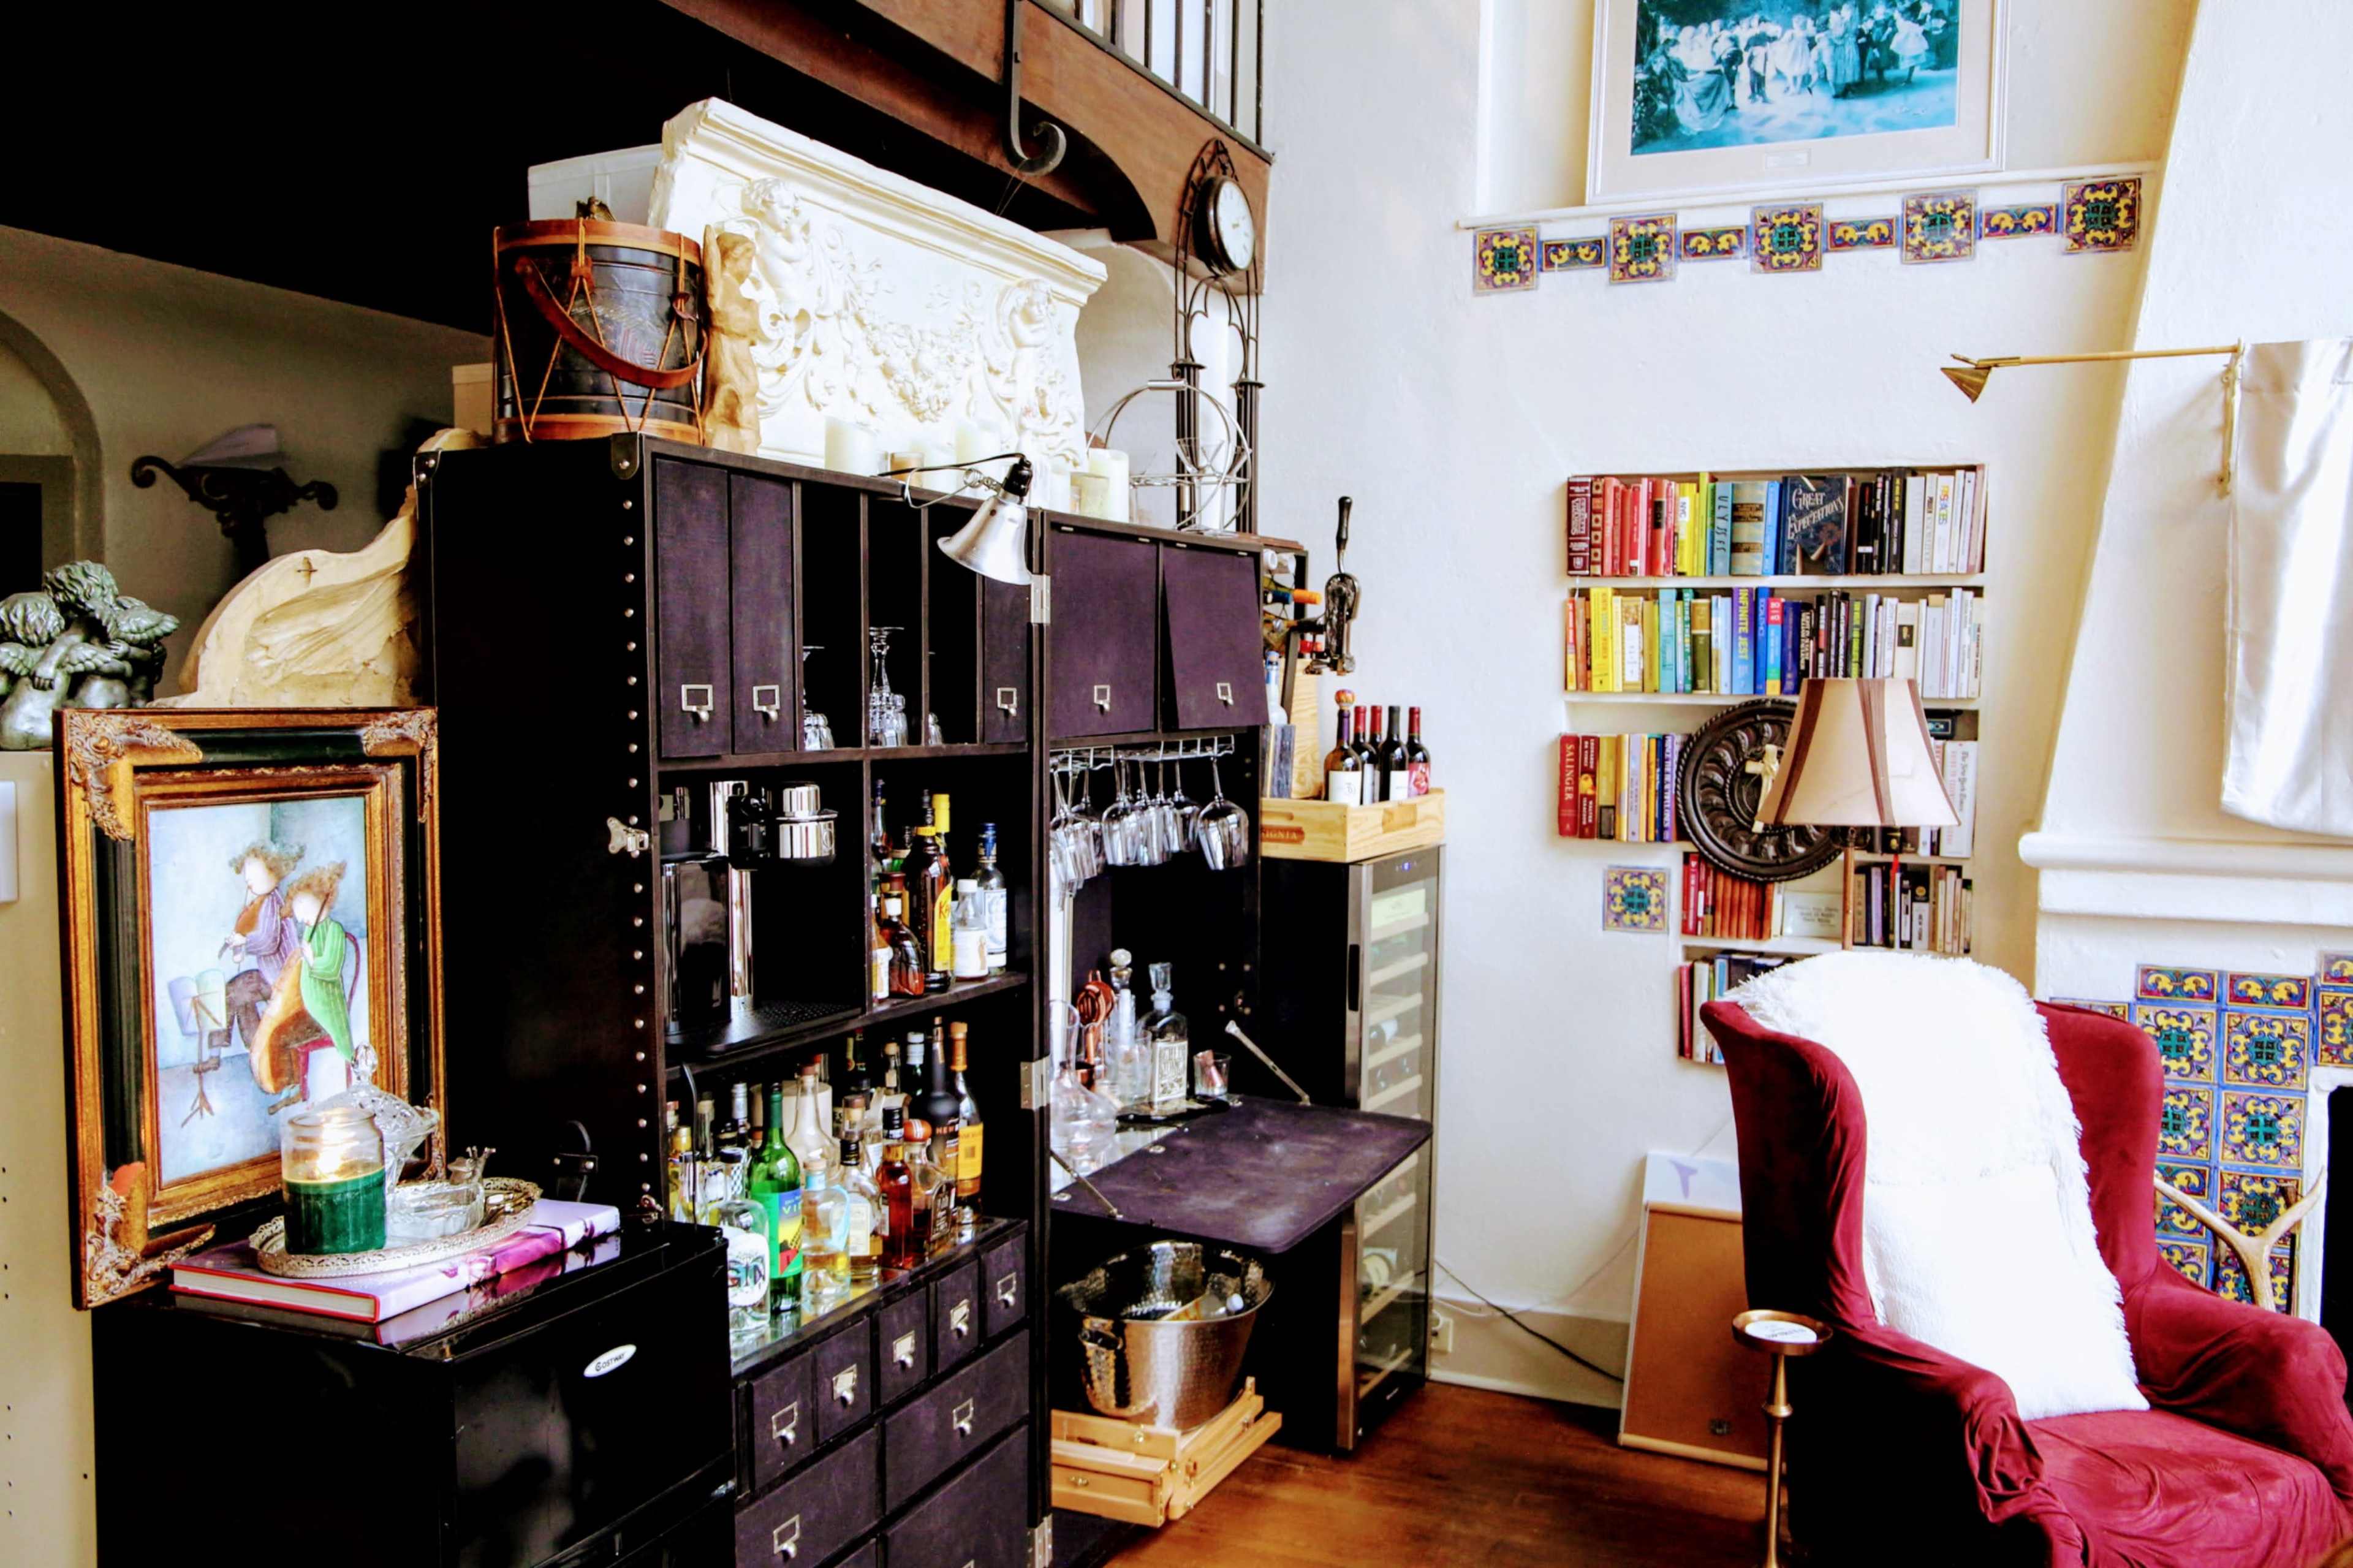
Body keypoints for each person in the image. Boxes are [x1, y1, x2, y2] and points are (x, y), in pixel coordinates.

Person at [285, 862, 360, 1105]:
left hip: (327, 1008)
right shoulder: (310, 931)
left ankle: (318, 1091)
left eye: (304, 908)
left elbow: (330, 968)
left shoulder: (334, 931)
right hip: (311, 1005)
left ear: (323, 901)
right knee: (284, 1034)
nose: (300, 916)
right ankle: (300, 1090)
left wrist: (310, 958)